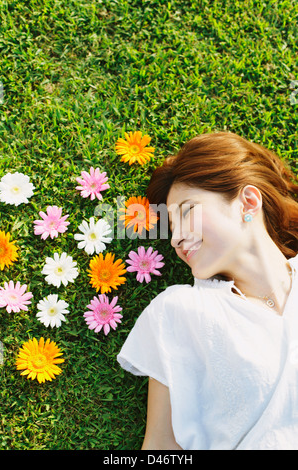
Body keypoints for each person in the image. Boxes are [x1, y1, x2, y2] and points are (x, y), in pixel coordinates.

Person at [117, 131, 298, 450]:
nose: (175, 239)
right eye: (171, 228)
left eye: (187, 212)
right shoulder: (180, 312)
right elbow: (160, 445)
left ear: (248, 202)